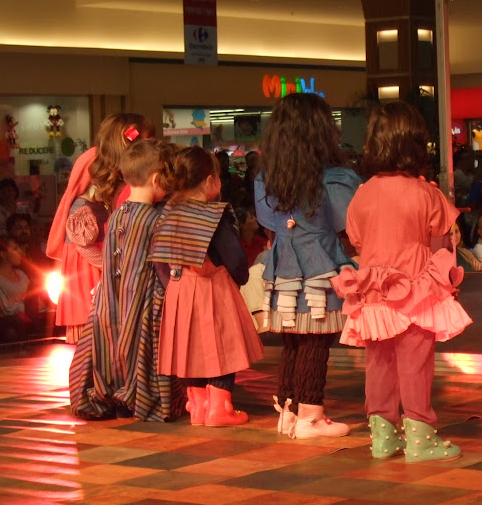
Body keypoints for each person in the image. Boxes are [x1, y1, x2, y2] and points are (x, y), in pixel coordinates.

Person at [332, 100, 471, 463]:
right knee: (415, 364)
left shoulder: (362, 194)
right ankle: (421, 438)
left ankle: (383, 438)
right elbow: (443, 240)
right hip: (416, 292)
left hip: (373, 295)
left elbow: (357, 241)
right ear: (415, 143)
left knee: (379, 365)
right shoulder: (426, 193)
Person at [255, 92, 360, 439]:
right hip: (321, 266)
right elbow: (348, 222)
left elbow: (269, 220)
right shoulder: (336, 178)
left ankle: (288, 412)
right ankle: (310, 417)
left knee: (293, 342)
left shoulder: (266, 178)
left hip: (282, 268)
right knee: (316, 342)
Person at [69, 139, 185, 421]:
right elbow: (162, 267)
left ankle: (116, 394)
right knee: (141, 347)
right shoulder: (155, 219)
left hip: (110, 299)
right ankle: (138, 397)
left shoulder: (116, 215)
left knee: (111, 344)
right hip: (143, 298)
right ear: (157, 178)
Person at [152, 146, 263, 426]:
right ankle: (219, 409)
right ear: (211, 180)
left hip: (178, 288)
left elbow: (159, 261)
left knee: (191, 348)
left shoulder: (167, 213)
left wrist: (173, 286)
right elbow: (234, 257)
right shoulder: (215, 214)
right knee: (222, 346)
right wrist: (239, 278)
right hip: (213, 287)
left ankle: (199, 407)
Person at [46, 113, 155, 344]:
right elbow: (81, 238)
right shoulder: (94, 160)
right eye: (145, 140)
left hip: (101, 249)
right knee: (93, 329)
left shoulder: (106, 161)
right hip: (88, 252)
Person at [0, 236, 30, 342]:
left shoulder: (21, 275)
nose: (20, 252)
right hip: (8, 324)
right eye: (15, 249)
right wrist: (27, 305)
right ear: (3, 254)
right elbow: (4, 309)